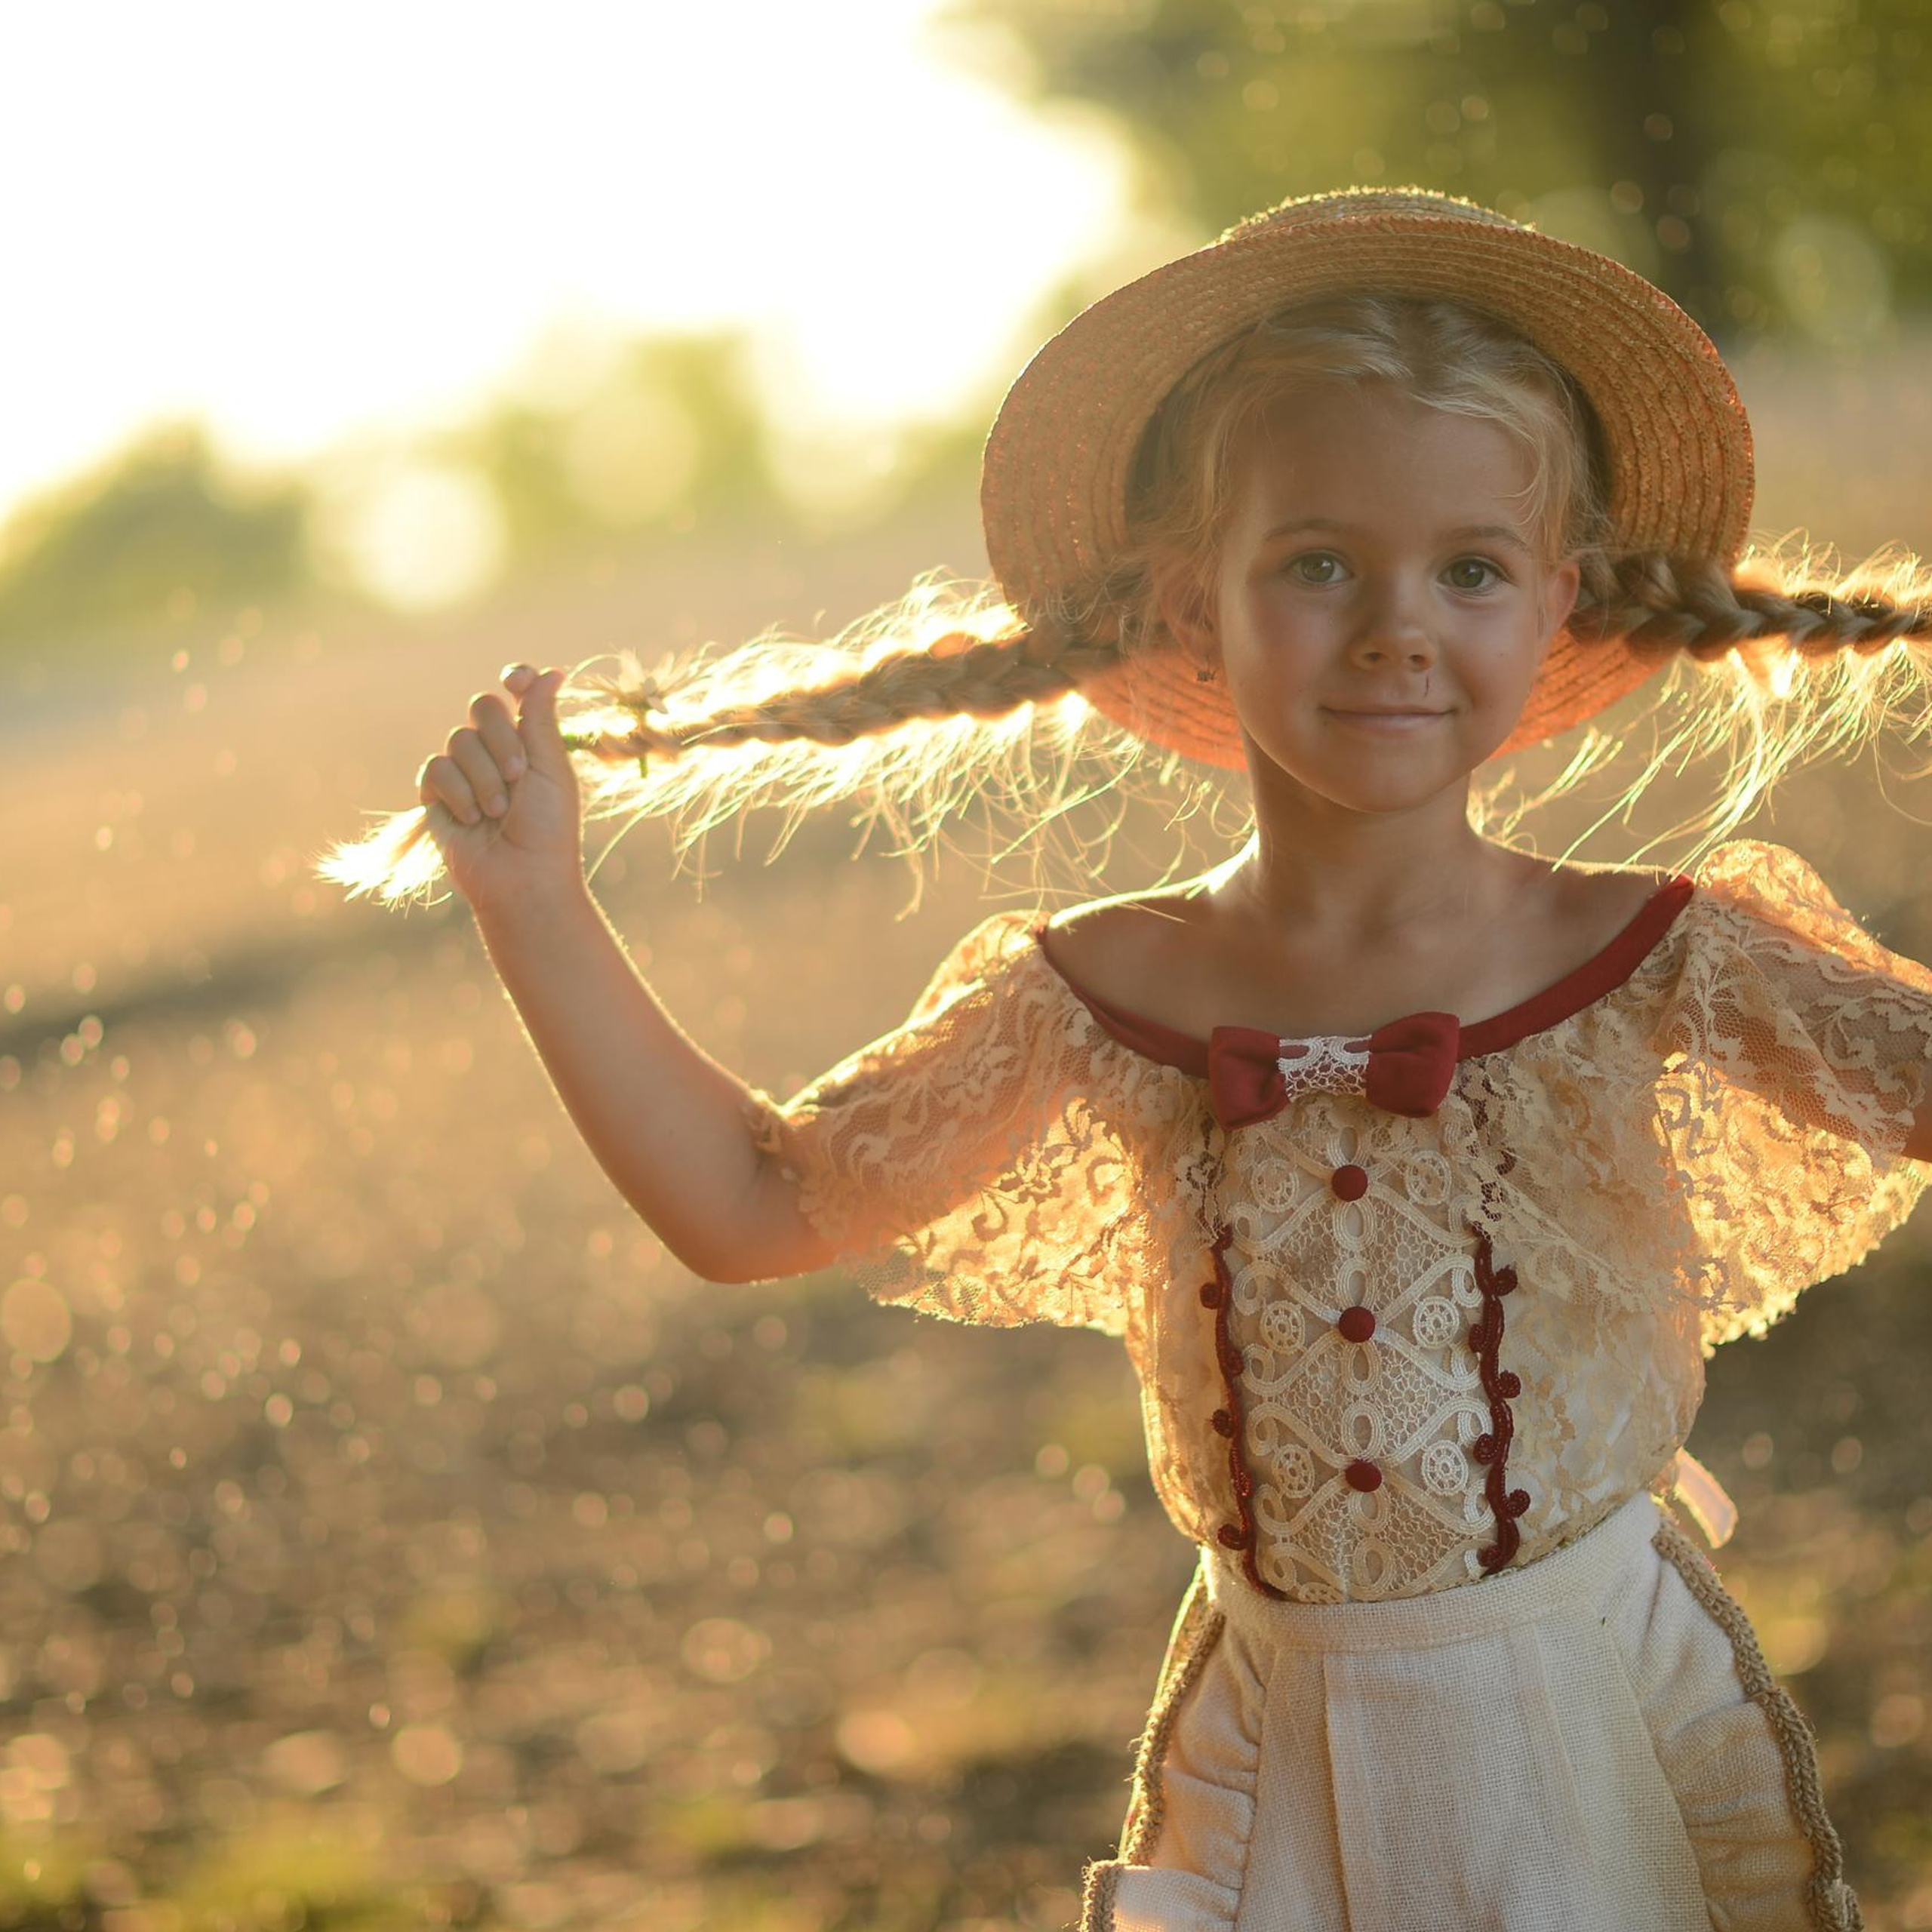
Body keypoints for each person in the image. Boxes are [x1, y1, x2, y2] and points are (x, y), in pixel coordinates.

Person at [318, 188, 1932, 1928]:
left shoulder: (1657, 952)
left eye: (1465, 570)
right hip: (1279, 1762)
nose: (1395, 625)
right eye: (1315, 563)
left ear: (1553, 603)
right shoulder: (1093, 990)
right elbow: (749, 1203)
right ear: (1190, 604)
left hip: (1587, 1719)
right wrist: (532, 902)